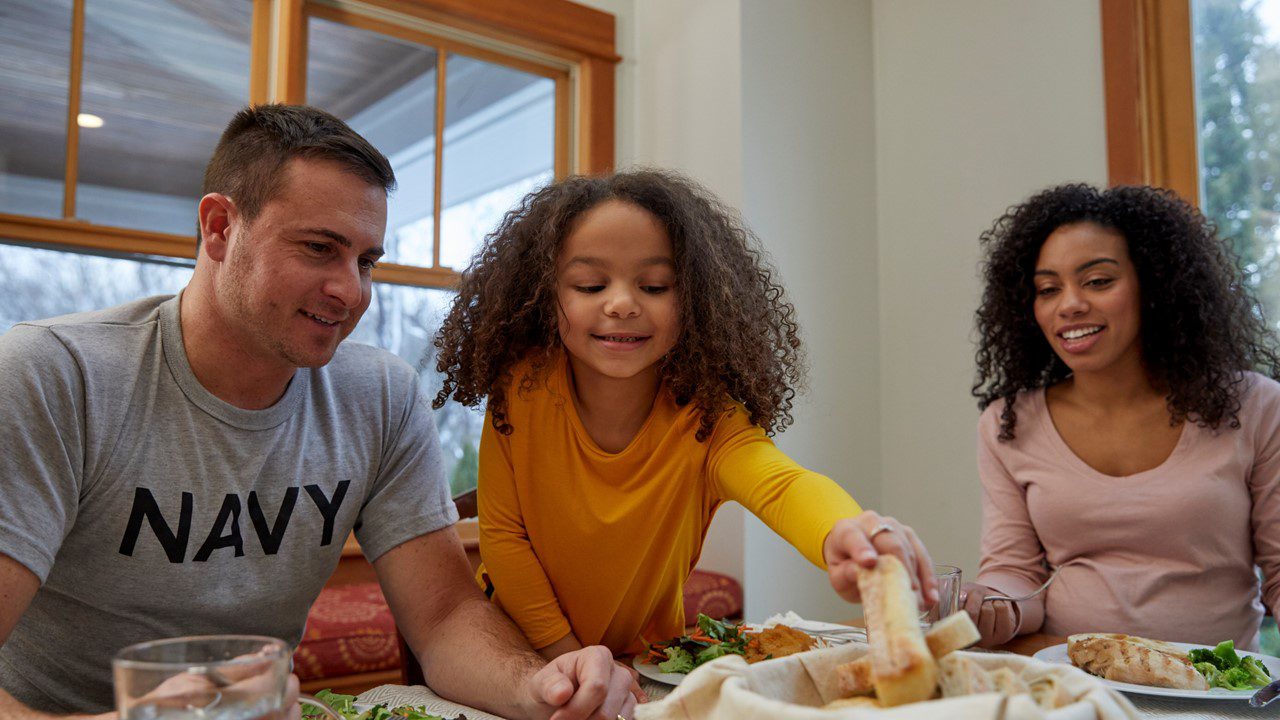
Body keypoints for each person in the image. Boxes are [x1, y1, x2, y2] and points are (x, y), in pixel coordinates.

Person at [0, 104, 638, 720]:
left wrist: (541, 688)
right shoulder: (55, 375)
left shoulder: (381, 396)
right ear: (220, 228)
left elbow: (444, 619)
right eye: (318, 249)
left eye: (365, 261)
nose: (351, 291)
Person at [431, 170, 939, 659]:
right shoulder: (520, 391)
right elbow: (503, 540)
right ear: (545, 297)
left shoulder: (708, 416)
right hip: (516, 654)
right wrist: (563, 653)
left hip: (641, 663)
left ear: (695, 300)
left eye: (654, 286)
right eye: (589, 286)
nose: (622, 304)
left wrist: (847, 531)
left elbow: (781, 485)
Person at [963, 183, 1280, 650]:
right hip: (1073, 679)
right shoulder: (1008, 423)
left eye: (1098, 281)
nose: (1069, 304)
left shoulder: (1254, 405)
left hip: (1215, 693)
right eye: (1048, 289)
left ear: (1154, 286)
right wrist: (991, 603)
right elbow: (1017, 574)